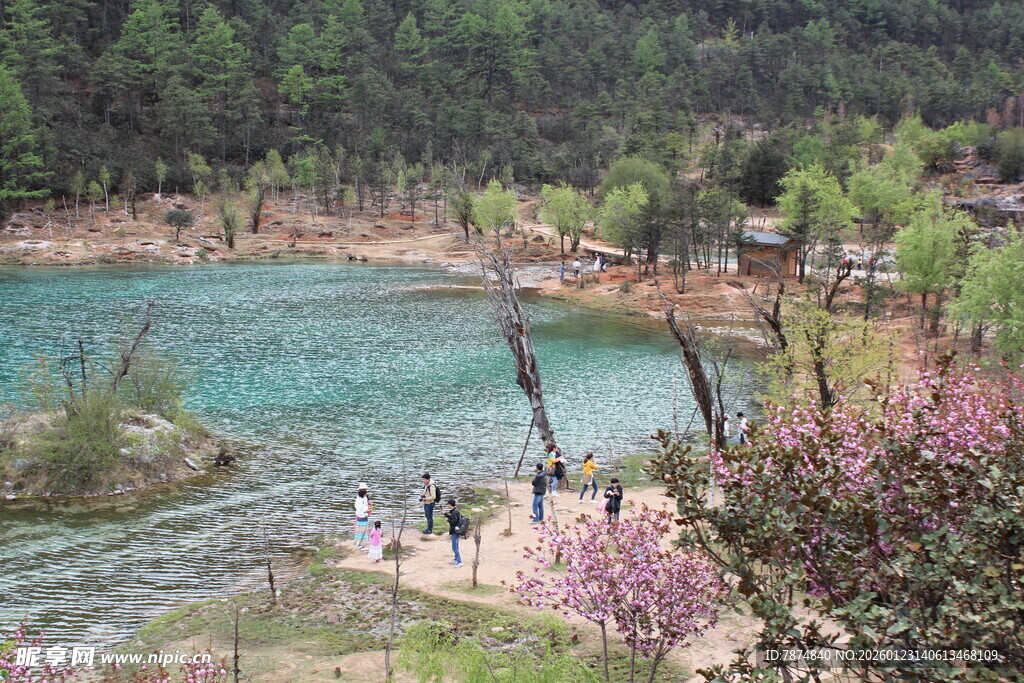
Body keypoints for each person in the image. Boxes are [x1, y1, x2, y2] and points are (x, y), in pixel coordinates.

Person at [443, 498, 463, 567]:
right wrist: (445, 514)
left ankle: (460, 561)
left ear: (450, 504)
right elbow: (452, 518)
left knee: (454, 547)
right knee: (456, 546)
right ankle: (456, 558)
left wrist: (448, 520)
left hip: (455, 531)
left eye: (448, 504)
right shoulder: (454, 511)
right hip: (454, 530)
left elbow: (453, 522)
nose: (448, 506)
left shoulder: (455, 512)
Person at [353, 484, 372, 549]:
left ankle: (358, 543)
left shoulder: (359, 498)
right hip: (362, 516)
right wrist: (370, 510)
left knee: (359, 531)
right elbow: (364, 510)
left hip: (359, 515)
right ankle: (361, 545)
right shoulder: (361, 501)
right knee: (363, 532)